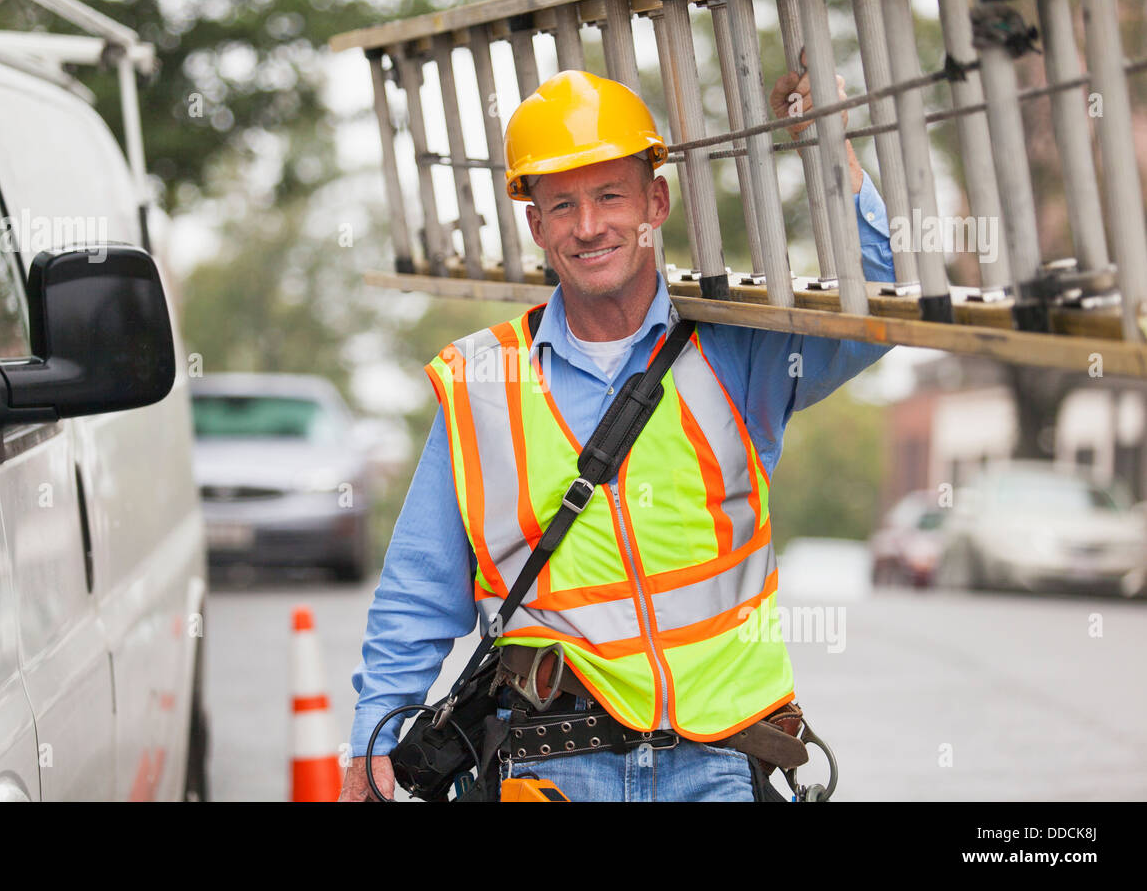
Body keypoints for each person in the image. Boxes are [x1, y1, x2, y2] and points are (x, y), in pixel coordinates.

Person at [339, 65, 894, 802]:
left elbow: (879, 298)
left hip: (724, 762)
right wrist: (372, 739)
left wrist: (827, 145)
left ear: (654, 201)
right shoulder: (482, 382)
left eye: (609, 195)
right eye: (562, 205)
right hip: (552, 763)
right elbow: (421, 583)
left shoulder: (740, 351)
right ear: (536, 226)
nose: (589, 225)